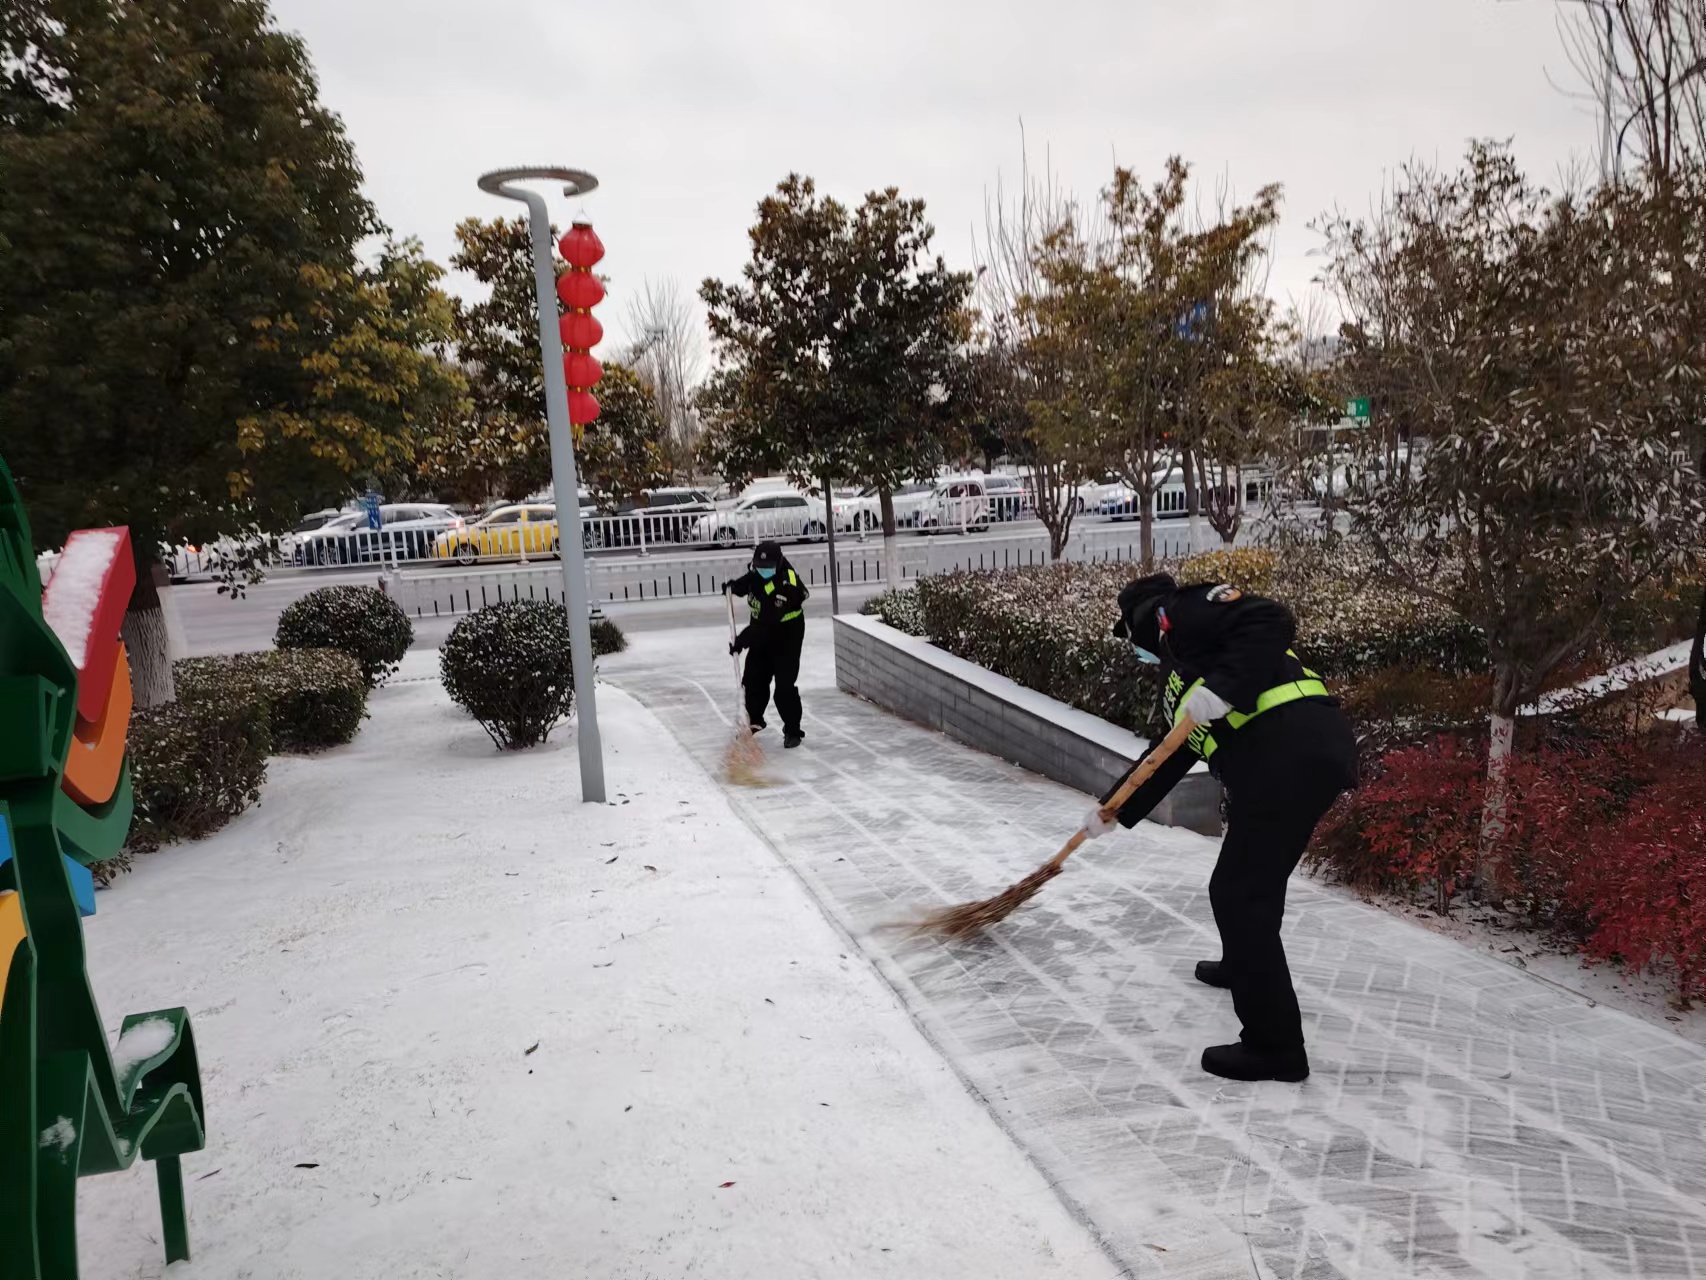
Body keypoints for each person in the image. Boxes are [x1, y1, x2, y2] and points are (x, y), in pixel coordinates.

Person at [1084, 572, 1358, 1083]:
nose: (1136, 650)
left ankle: (1275, 1047)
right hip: (1289, 761)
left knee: (1237, 894)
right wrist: (1112, 811)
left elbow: (1271, 618)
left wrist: (1223, 689)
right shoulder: (1190, 666)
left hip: (1289, 757)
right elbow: (1168, 755)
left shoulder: (1179, 613)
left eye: (1131, 637)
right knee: (1252, 883)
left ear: (1139, 621)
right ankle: (1243, 966)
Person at [724, 541, 809, 748]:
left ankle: (792, 730)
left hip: (787, 634)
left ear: (778, 563)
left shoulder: (786, 584)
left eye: (767, 567)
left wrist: (741, 641)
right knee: (753, 678)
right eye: (759, 567)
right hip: (762, 630)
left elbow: (768, 621)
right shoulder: (760, 572)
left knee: (784, 686)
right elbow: (751, 583)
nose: (763, 571)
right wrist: (733, 587)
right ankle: (754, 720)